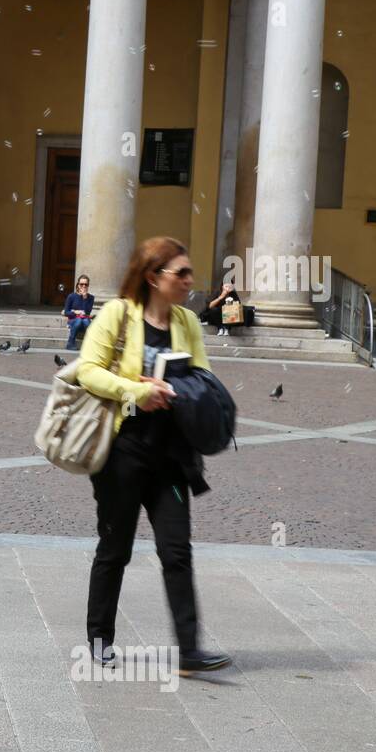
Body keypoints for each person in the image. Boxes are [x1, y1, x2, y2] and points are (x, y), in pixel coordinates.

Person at [75, 236, 232, 674]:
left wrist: (184, 390)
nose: (189, 280)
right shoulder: (117, 314)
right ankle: (100, 637)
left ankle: (188, 650)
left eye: (188, 272)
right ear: (152, 277)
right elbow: (87, 369)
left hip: (172, 456)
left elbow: (203, 374)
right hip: (122, 451)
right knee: (115, 547)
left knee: (177, 550)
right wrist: (137, 390)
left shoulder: (187, 322)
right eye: (180, 273)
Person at [62, 274, 95, 350]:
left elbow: (87, 312)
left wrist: (84, 298)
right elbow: (66, 312)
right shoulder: (71, 296)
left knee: (86, 321)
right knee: (80, 320)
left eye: (86, 284)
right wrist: (75, 312)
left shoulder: (91, 298)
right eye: (81, 284)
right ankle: (70, 343)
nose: (83, 286)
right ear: (78, 285)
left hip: (84, 321)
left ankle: (90, 344)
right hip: (73, 320)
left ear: (88, 285)